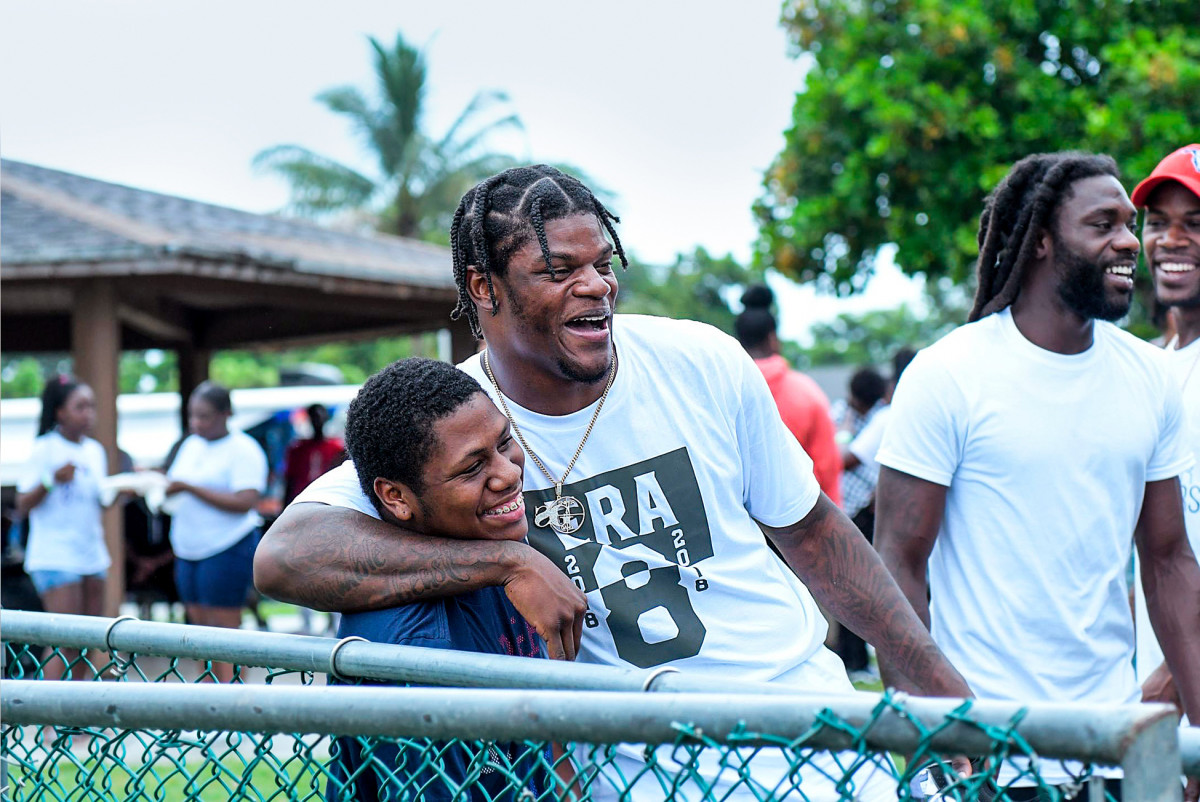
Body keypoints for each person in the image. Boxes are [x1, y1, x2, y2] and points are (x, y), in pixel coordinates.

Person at [256, 165, 971, 801]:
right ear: (485, 288)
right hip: (633, 763)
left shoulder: (699, 360)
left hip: (800, 728)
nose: (596, 285)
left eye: (602, 262)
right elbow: (288, 556)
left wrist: (919, 663)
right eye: (559, 269)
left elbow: (811, 530)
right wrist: (507, 559)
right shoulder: (456, 422)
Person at [873, 152, 1200, 799]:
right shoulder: (949, 375)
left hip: (1116, 749)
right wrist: (938, 737)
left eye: (1129, 224)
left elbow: (1167, 561)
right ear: (1044, 239)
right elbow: (897, 567)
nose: (1130, 242)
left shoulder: (1150, 379)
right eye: (1104, 224)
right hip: (988, 754)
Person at [325, 357, 551, 802]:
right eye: (471, 468)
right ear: (396, 497)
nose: (508, 473)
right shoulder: (412, 653)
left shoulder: (493, 556)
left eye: (505, 443)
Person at [1130, 144, 1200, 720]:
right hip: (1151, 693)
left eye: (1195, 225)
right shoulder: (1146, 369)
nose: (1171, 240)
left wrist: (1180, 676)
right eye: (1158, 223)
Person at [166, 381, 268, 683]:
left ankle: (233, 704)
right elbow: (175, 484)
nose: (196, 423)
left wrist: (191, 488)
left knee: (223, 630)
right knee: (198, 631)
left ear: (226, 414)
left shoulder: (244, 449)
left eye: (204, 416)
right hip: (188, 548)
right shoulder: (190, 444)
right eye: (192, 416)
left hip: (227, 545)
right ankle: (208, 698)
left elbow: (246, 501)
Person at [15, 375, 110, 679]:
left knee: (89, 640)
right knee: (64, 640)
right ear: (60, 412)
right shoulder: (44, 449)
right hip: (55, 556)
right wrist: (51, 480)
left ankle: (73, 715)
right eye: (80, 407)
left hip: (92, 554)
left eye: (91, 407)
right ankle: (49, 717)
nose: (89, 414)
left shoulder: (95, 451)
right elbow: (22, 503)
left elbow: (100, 499)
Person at [735, 284, 842, 506]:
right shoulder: (807, 393)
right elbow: (827, 471)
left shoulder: (719, 396)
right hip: (800, 528)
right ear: (773, 339)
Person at [283, 404, 345, 504]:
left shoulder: (336, 447)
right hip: (301, 496)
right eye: (314, 416)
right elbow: (290, 479)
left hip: (328, 496)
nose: (318, 420)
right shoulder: (298, 448)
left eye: (320, 416)